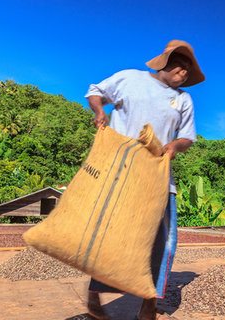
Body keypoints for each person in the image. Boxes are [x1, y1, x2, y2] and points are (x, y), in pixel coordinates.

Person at [84, 40, 205, 320]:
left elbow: (187, 136)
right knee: (114, 236)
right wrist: (99, 111)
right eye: (180, 63)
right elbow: (95, 91)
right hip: (122, 171)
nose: (184, 71)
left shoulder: (184, 99)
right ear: (163, 61)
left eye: (188, 68)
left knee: (164, 242)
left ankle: (149, 302)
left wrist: (174, 146)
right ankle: (94, 295)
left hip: (159, 176)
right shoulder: (129, 79)